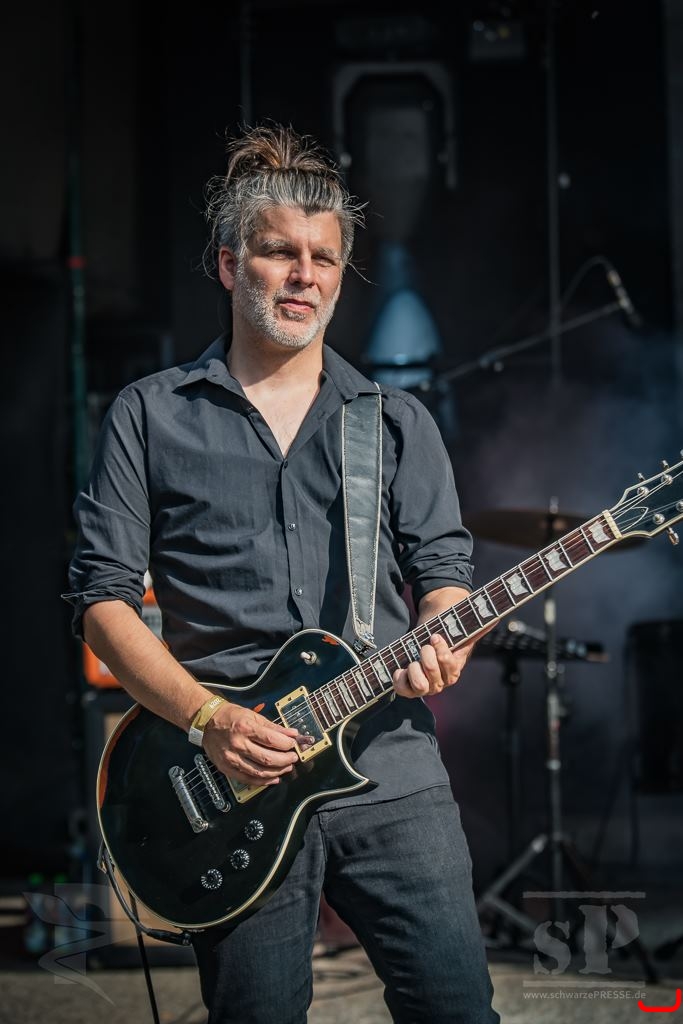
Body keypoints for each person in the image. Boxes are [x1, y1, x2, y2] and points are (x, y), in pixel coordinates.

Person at [65, 122, 500, 1024]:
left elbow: (445, 574)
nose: (304, 275)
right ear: (230, 266)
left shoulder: (394, 422)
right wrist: (208, 717)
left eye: (324, 259)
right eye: (279, 253)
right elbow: (103, 602)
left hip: (389, 768)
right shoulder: (150, 416)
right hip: (227, 777)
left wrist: (444, 632)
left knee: (456, 1010)